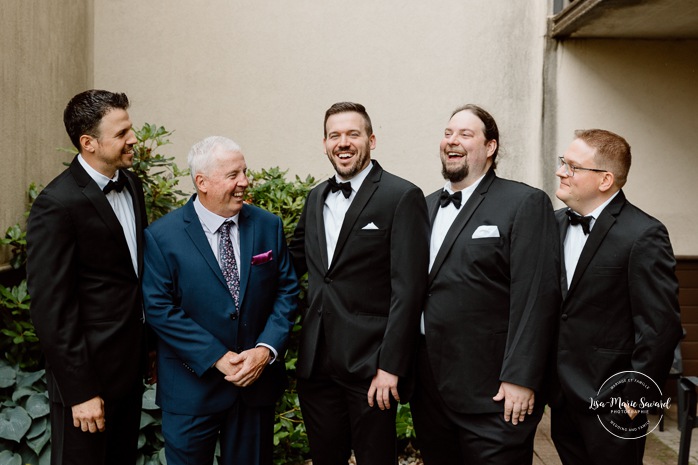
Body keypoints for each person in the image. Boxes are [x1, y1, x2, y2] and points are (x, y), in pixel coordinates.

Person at [410, 104, 560, 464]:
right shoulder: (422, 207)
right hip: (430, 391)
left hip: (494, 394)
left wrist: (521, 377)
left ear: (490, 146)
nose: (453, 141)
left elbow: (537, 296)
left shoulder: (524, 202)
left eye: (465, 134)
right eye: (448, 133)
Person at [141, 136, 298, 465]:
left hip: (253, 388)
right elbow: (159, 309)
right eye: (233, 175)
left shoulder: (268, 225)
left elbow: (286, 290)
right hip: (190, 390)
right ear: (202, 182)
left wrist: (265, 350)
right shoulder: (162, 236)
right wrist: (216, 356)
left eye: (244, 171)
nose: (244, 182)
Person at [289, 102, 429, 465]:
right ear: (324, 144)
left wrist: (390, 367)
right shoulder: (315, 196)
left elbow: (408, 290)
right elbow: (294, 265)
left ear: (372, 139)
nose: (344, 142)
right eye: (335, 135)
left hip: (371, 366)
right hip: (317, 364)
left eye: (353, 134)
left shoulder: (401, 196)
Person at [26, 89, 147, 465]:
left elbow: (131, 280)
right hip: (88, 381)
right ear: (88, 143)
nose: (134, 139)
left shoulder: (131, 185)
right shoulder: (56, 203)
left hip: (129, 371)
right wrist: (80, 392)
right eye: (122, 132)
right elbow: (52, 310)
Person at [549, 129, 682, 465]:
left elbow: (660, 328)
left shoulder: (643, 234)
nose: (561, 171)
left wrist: (633, 403)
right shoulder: (554, 224)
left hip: (614, 402)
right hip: (562, 397)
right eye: (563, 163)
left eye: (572, 166)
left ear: (605, 179)